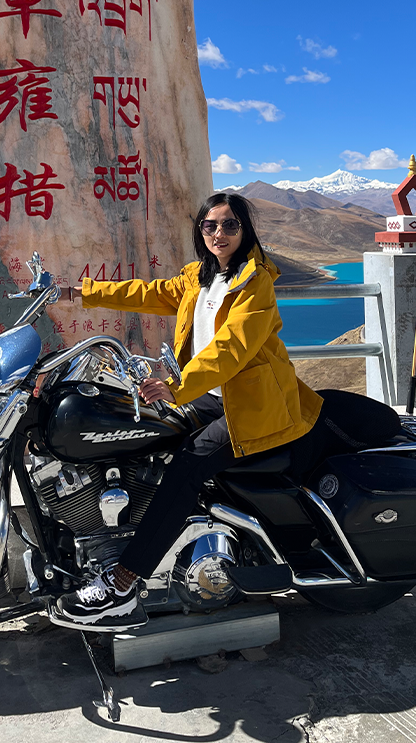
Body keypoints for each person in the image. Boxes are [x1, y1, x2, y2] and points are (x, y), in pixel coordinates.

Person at [56, 192, 326, 625]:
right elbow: (149, 292)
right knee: (145, 432)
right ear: (200, 231)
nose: (220, 233)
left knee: (188, 464)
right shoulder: (200, 276)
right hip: (210, 394)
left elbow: (231, 348)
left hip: (249, 405)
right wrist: (77, 292)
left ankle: (124, 584)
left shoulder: (254, 283)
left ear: (245, 230)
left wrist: (176, 384)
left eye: (230, 225)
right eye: (210, 226)